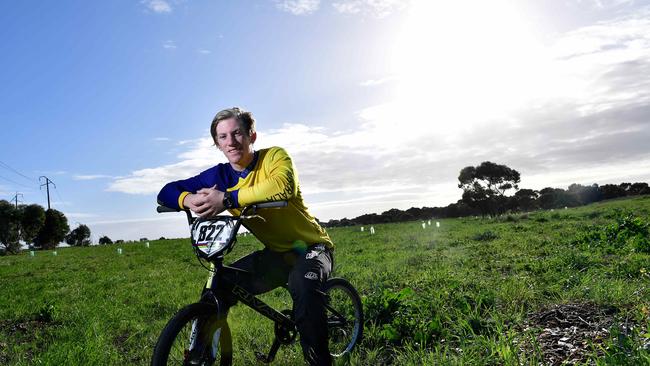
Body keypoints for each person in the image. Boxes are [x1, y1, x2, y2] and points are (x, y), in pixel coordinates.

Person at [157, 107, 334, 365]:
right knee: (219, 285)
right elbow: (166, 191)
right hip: (277, 254)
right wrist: (189, 199)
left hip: (311, 247)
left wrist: (227, 198)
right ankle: (204, 354)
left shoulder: (274, 157)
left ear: (252, 135)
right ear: (217, 143)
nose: (231, 142)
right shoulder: (219, 175)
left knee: (304, 290)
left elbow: (281, 186)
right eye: (223, 137)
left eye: (237, 133)